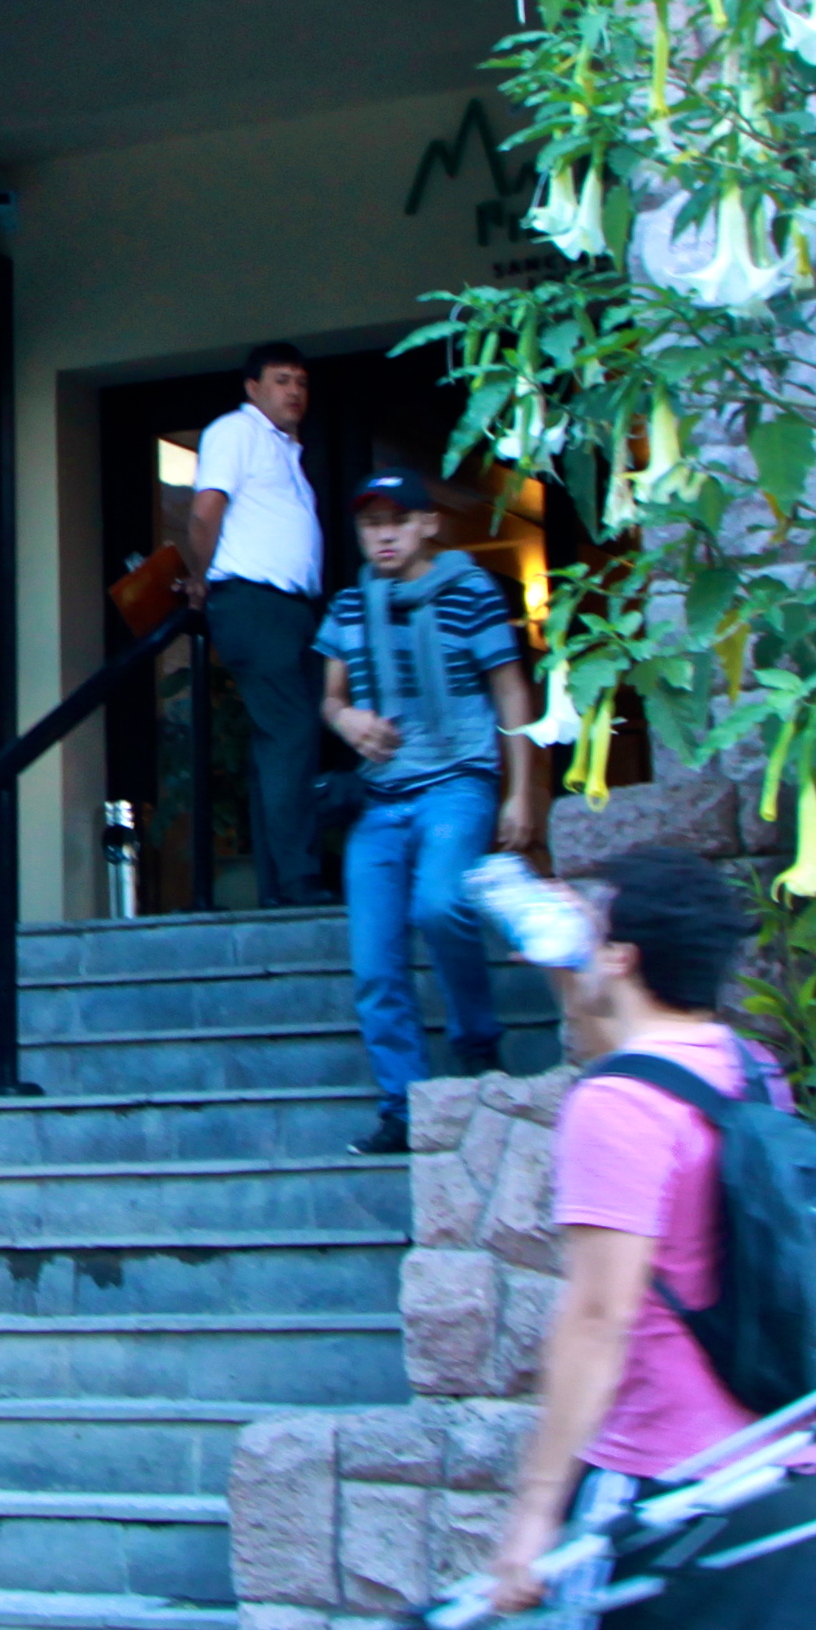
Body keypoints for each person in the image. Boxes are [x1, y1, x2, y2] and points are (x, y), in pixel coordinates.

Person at [489, 848, 816, 1630]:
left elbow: (597, 1319)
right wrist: (575, 976)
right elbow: (619, 1040)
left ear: (629, 954)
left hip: (664, 1485)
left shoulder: (615, 1105)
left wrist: (531, 1520)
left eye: (595, 930)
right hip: (790, 1472)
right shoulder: (749, 1072)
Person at [311, 471, 539, 1153]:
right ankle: (402, 1107)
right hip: (380, 797)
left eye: (397, 519)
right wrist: (346, 720)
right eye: (370, 523)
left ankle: (476, 1044)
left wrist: (522, 792)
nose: (383, 534)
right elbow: (330, 696)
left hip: (458, 784)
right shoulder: (350, 604)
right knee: (374, 961)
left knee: (441, 905)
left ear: (428, 524)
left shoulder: (472, 592)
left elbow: (511, 690)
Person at [183, 343, 329, 906]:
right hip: (254, 602)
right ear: (253, 388)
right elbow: (205, 511)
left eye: (302, 382)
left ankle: (281, 884)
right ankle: (297, 882)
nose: (295, 391)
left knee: (282, 741)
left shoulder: (285, 449)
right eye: (281, 380)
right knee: (292, 733)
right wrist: (201, 579)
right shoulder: (236, 431)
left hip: (289, 609)